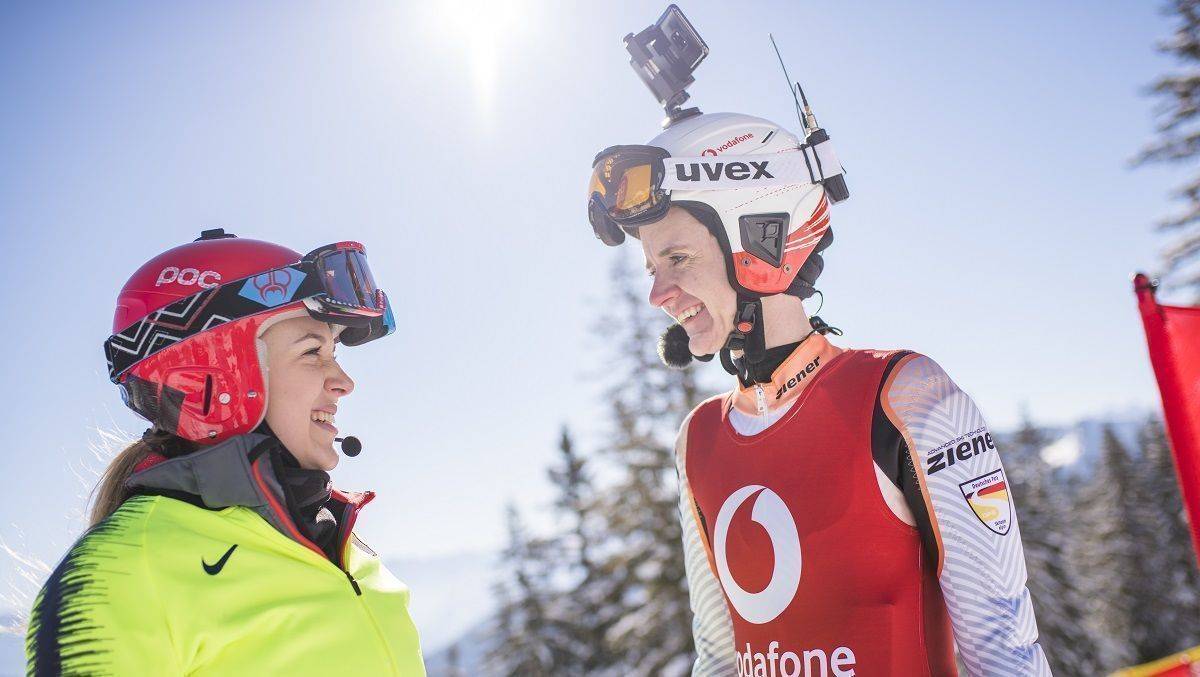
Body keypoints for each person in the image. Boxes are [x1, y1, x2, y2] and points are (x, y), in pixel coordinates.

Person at [588, 109, 1051, 674]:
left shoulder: (905, 398)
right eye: (651, 267)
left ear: (759, 240)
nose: (658, 292)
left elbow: (1006, 645)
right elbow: (718, 657)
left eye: (677, 258)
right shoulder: (698, 442)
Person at [25, 229, 425, 675]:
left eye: (334, 353)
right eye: (313, 352)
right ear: (216, 374)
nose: (344, 382)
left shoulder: (346, 545)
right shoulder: (123, 572)